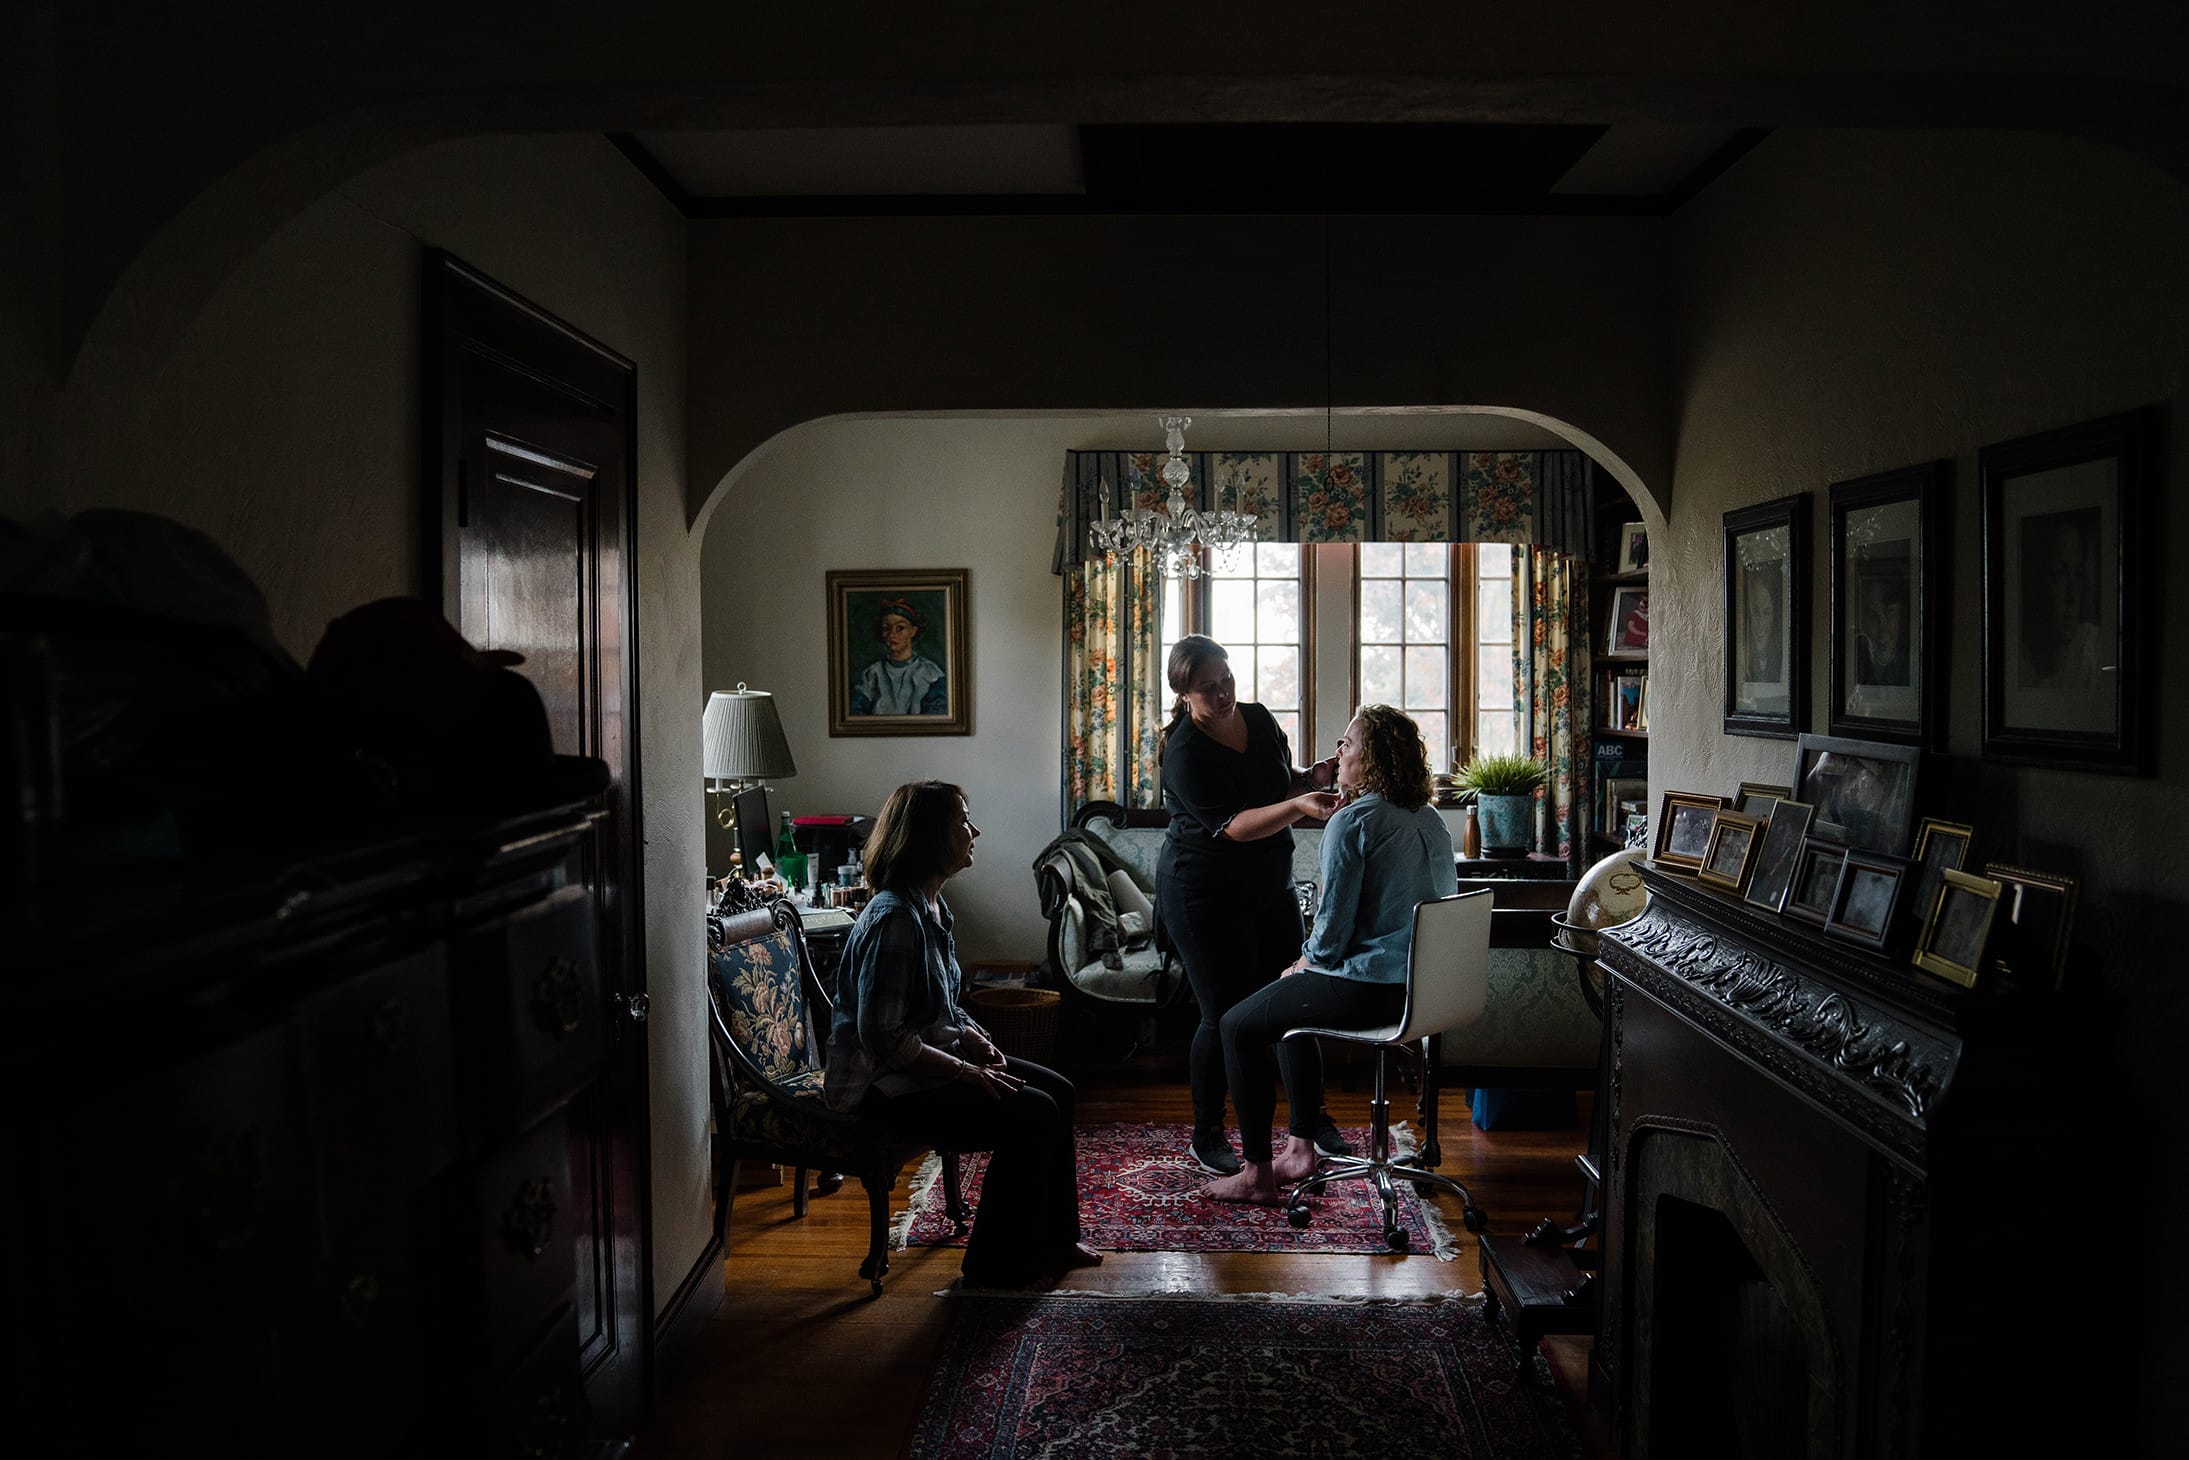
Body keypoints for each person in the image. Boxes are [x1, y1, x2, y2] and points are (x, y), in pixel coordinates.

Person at [822, 780, 1099, 1288]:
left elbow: (943, 1006)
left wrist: (976, 1040)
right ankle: (990, 1265)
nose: (975, 831)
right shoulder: (895, 919)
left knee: (1059, 1089)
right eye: (963, 822)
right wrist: (966, 1072)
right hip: (884, 1088)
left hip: (924, 1066)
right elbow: (883, 1038)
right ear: (929, 837)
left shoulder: (932, 906)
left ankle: (1056, 1239)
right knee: (1032, 1113)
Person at [1205, 705, 1458, 1204]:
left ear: (1374, 759)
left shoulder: (1353, 821)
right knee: (1286, 1002)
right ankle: (1301, 1148)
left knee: (1236, 1025)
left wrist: (1304, 961)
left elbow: (1331, 933)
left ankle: (1256, 1176)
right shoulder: (1430, 818)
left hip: (1373, 991)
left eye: (1349, 743)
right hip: (1426, 989)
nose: (1338, 752)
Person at [1156, 634, 1345, 1177]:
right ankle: (1207, 1131)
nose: (1222, 696)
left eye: (1227, 681)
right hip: (1202, 893)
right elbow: (1235, 824)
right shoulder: (1185, 752)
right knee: (1224, 1014)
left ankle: (1310, 1123)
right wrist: (1299, 806)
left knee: (1295, 999)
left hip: (1269, 885)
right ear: (1184, 693)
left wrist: (1310, 779)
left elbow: (1277, 783)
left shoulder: (1260, 719)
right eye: (1208, 689)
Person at [2017, 513, 2103, 691]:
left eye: (2078, 575)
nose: (2071, 596)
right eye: (2059, 574)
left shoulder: (2093, 648)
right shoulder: (2019, 659)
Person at [848, 597, 947, 715]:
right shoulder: (872, 673)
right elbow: (856, 713)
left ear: (913, 630)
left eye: (900, 628)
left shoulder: (932, 673)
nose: (892, 634)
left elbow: (937, 715)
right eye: (886, 628)